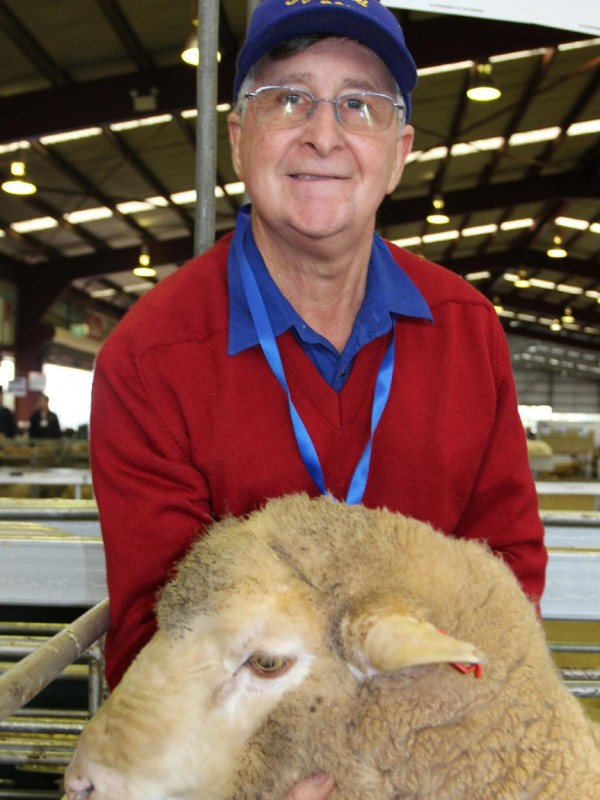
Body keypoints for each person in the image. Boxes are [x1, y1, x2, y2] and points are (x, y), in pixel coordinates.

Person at [90, 2, 547, 797]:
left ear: (398, 151)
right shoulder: (150, 356)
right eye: (288, 98)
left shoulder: (466, 331)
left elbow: (504, 573)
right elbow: (159, 629)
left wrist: (402, 757)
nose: (324, 135)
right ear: (239, 137)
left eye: (359, 105)